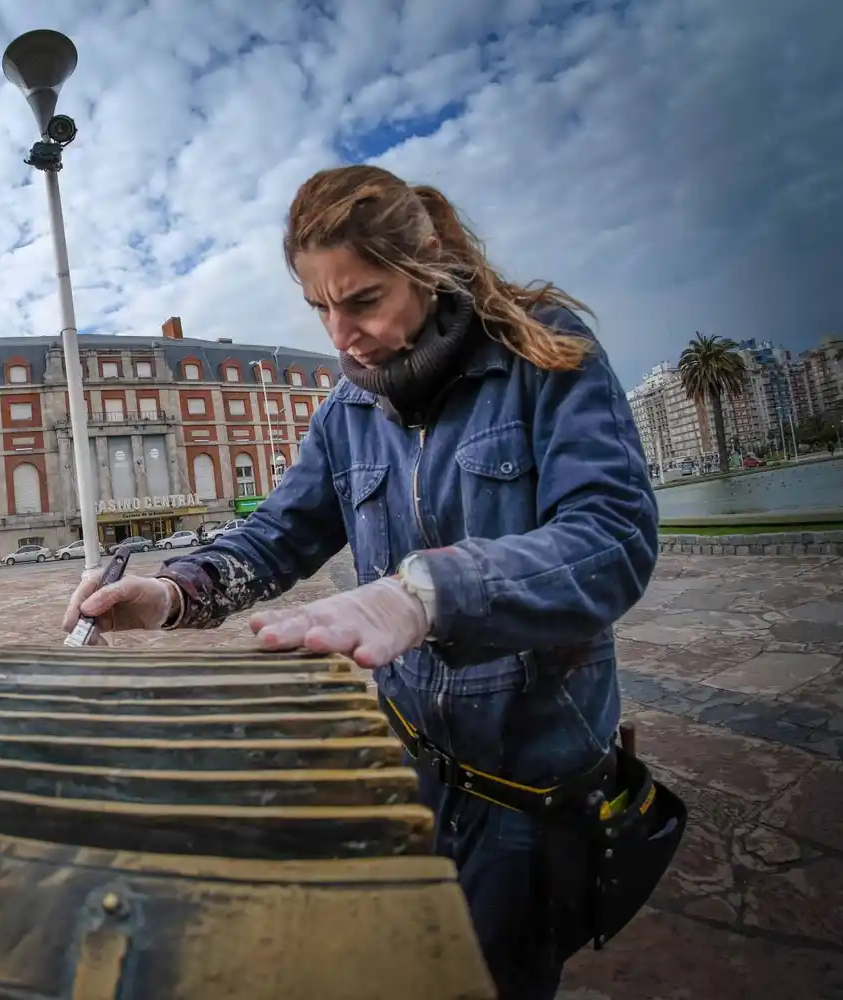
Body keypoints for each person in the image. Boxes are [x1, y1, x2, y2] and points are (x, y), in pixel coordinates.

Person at [61, 164, 660, 1000]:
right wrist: (170, 594)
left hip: (530, 789)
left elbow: (612, 537)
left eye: (364, 300)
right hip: (402, 773)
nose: (343, 337)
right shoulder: (346, 411)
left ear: (429, 262)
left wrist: (421, 596)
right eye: (320, 308)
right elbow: (276, 535)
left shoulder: (542, 350)